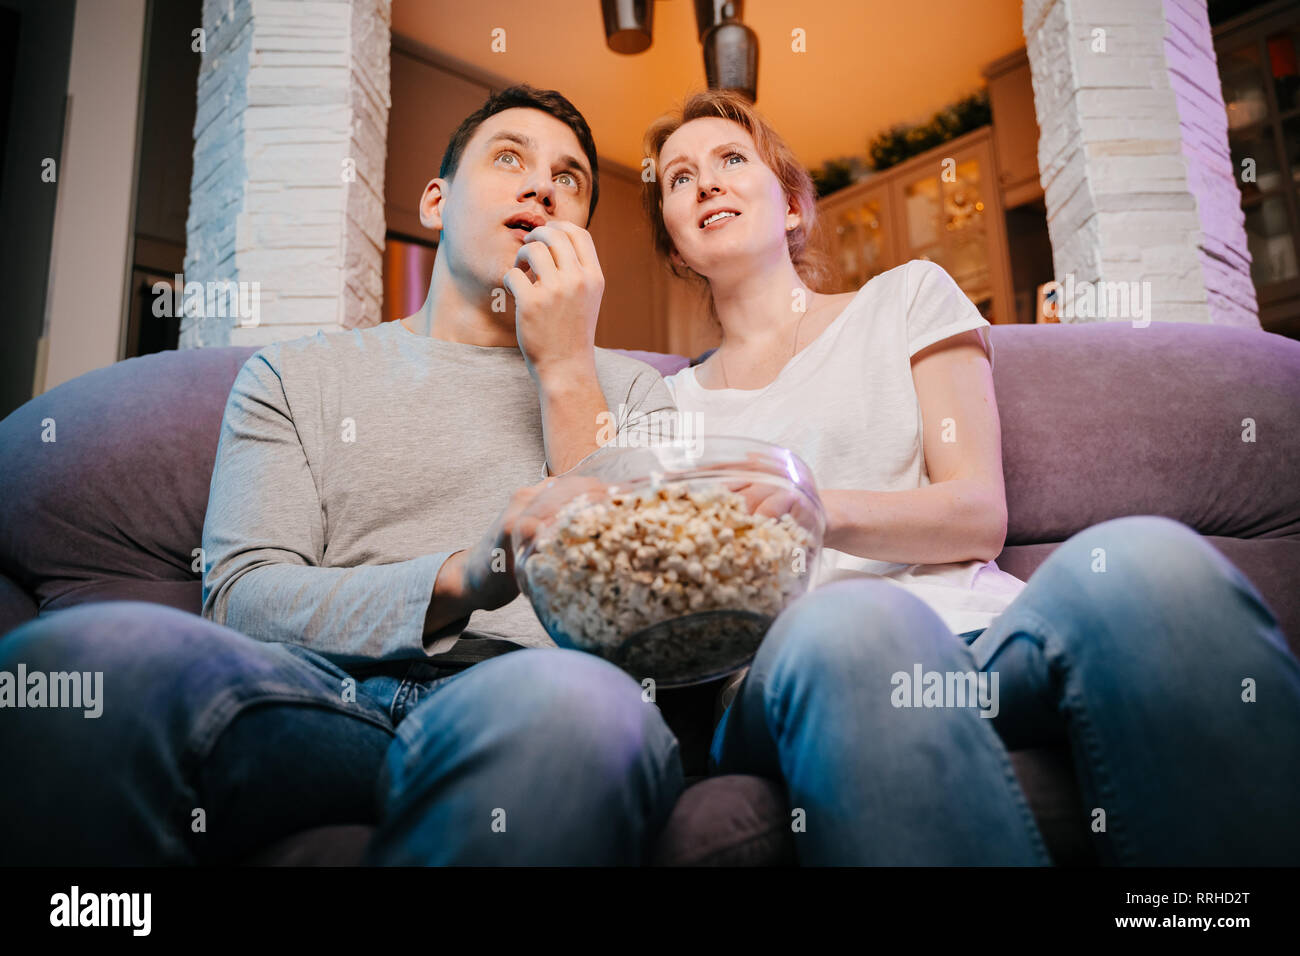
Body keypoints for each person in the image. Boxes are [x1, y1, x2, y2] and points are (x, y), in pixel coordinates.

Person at [0, 85, 687, 866]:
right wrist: (463, 576)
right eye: (509, 159)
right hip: (324, 703)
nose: (542, 186)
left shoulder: (633, 390)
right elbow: (241, 599)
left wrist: (566, 363)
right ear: (435, 201)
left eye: (570, 181)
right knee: (94, 656)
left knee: (576, 707)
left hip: (538, 697)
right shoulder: (297, 377)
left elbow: (646, 617)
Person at [639, 89, 1300, 865]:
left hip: (981, 640)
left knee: (1152, 562)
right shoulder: (669, 406)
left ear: (790, 205)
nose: (706, 182)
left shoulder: (908, 298)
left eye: (730, 160)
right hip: (801, 664)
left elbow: (976, 512)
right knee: (853, 622)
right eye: (679, 178)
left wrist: (815, 506)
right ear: (678, 249)